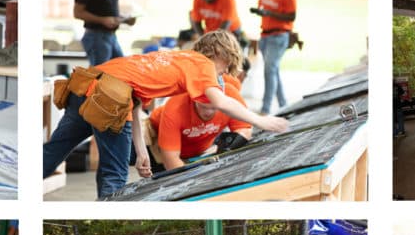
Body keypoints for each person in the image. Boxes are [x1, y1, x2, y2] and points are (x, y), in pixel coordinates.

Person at [44, 30, 289, 199]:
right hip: (109, 96)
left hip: (86, 85)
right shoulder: (203, 64)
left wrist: (141, 151)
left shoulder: (173, 59)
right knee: (114, 173)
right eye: (225, 68)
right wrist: (260, 120)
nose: (221, 75)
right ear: (220, 55)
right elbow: (220, 100)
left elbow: (134, 104)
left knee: (55, 149)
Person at [146, 73, 252, 172]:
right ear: (193, 98)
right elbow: (171, 161)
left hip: (199, 145)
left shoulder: (230, 94)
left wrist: (227, 149)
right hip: (157, 140)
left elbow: (244, 129)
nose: (208, 112)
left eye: (214, 107)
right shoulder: (175, 108)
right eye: (203, 106)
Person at [251, 0, 296, 115]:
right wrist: (261, 12)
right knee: (273, 71)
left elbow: (292, 16)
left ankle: (266, 108)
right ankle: (284, 105)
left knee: (269, 70)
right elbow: (263, 7)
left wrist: (270, 13)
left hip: (279, 35)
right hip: (264, 34)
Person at [74, 0, 137, 67]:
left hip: (112, 36)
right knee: (100, 74)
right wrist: (102, 20)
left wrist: (124, 19)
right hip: (96, 36)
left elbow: (107, 12)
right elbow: (77, 13)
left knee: (121, 69)